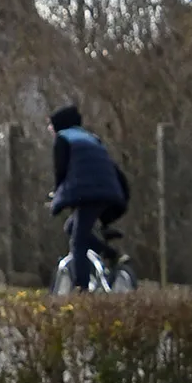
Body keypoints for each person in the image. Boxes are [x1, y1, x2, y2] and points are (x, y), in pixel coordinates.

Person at [48, 104, 129, 290]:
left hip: (89, 194)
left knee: (77, 241)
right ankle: (111, 254)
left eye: (51, 125)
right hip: (109, 192)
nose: (50, 129)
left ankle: (81, 290)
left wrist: (57, 196)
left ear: (60, 125)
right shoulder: (92, 138)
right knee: (72, 227)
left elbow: (61, 172)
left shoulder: (63, 139)